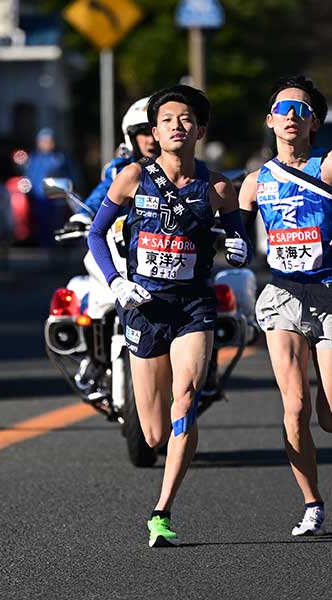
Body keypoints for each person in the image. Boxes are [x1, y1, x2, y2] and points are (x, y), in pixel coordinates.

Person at [87, 85, 252, 548]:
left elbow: (239, 243)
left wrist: (238, 248)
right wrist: (116, 281)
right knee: (154, 431)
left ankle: (161, 511)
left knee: (186, 398)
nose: (177, 126)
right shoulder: (132, 179)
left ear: (200, 129)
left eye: (186, 119)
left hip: (193, 307)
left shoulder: (218, 187)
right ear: (153, 131)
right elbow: (97, 236)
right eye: (167, 120)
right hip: (144, 308)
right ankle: (165, 453)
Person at [238, 76, 332, 536]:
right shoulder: (255, 183)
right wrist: (234, 250)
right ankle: (312, 502)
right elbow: (237, 239)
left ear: (314, 123)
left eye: (301, 111)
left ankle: (327, 377)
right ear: (270, 120)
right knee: (294, 407)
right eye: (283, 109)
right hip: (282, 294)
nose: (291, 117)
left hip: (330, 295)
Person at [82, 96, 159, 215]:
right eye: (144, 133)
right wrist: (82, 216)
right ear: (132, 138)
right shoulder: (120, 170)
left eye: (156, 132)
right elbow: (101, 196)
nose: (151, 140)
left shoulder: (187, 168)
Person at [25, 127, 72, 246]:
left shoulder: (59, 158)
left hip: (56, 199)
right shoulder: (34, 159)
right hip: (39, 199)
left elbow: (69, 177)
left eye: (49, 141)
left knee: (55, 226)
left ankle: (56, 249)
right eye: (44, 141)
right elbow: (29, 178)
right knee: (40, 226)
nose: (47, 144)